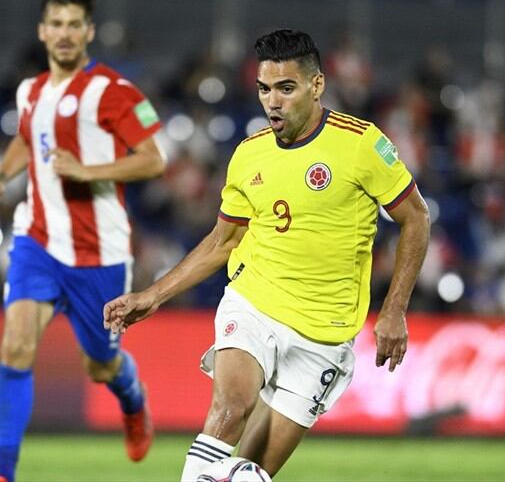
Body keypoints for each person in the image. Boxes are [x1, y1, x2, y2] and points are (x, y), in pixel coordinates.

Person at [104, 29, 430, 480]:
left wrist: (394, 309)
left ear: (317, 86)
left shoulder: (361, 144)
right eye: (264, 89)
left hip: (324, 335)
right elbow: (223, 241)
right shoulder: (248, 155)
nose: (272, 102)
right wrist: (152, 296)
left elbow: (416, 218)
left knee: (250, 472)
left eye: (286, 88)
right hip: (253, 303)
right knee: (229, 408)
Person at [0, 0, 166, 481]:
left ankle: (133, 398)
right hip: (36, 239)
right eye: (55, 24)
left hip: (98, 252)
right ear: (42, 31)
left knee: (99, 366)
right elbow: (26, 139)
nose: (63, 33)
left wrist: (88, 170)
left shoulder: (114, 91)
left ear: (89, 32)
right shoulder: (30, 90)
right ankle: (2, 474)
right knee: (15, 345)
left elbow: (153, 159)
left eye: (73, 24)